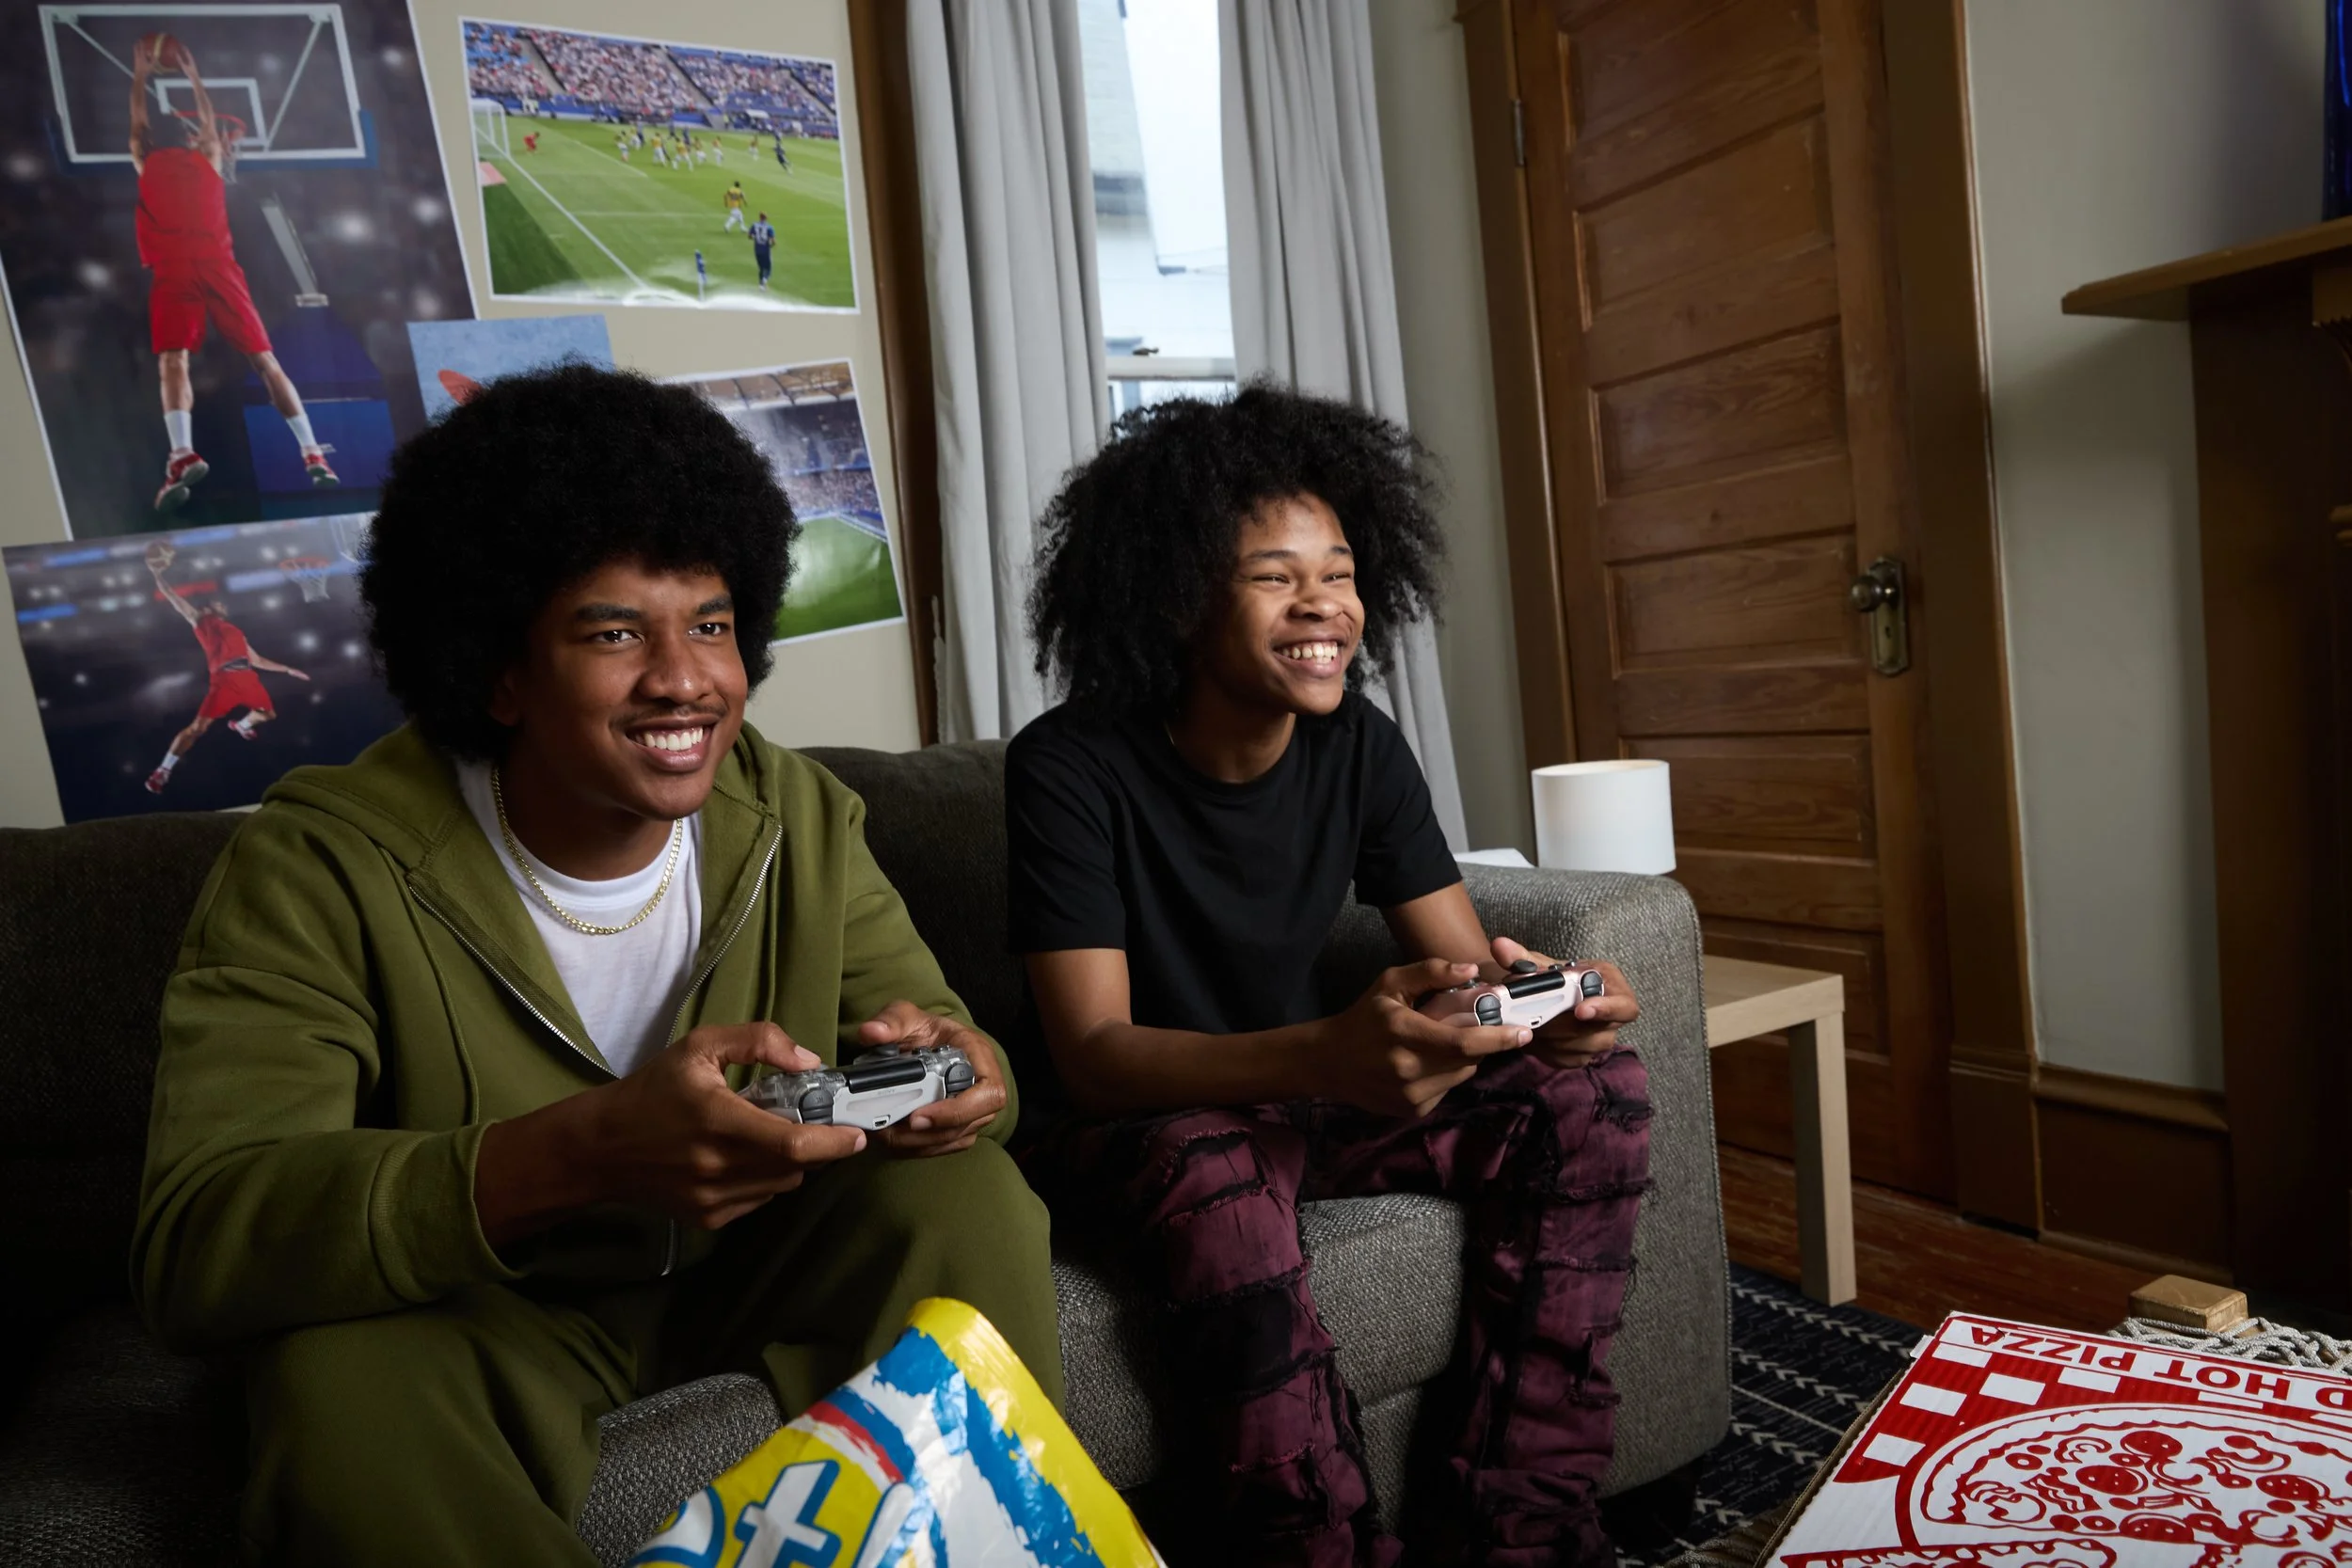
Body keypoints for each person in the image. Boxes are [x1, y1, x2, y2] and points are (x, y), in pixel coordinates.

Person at [134, 365, 1060, 1566]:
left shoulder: (797, 812)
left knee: (967, 1191)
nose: (685, 678)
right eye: (616, 630)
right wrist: (581, 1149)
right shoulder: (317, 866)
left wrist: (968, 1072)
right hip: (482, 1312)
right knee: (327, 1379)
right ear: (499, 670)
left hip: (751, 1268)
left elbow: (941, 1035)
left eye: (713, 623)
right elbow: (198, 1238)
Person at [1008, 385, 1650, 1568]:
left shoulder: (1357, 740)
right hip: (1140, 1125)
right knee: (1208, 1160)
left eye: (1341, 570)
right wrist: (1331, 1051)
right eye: (1272, 573)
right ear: (1176, 591)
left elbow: (1460, 966)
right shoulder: (1069, 765)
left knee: (1594, 1099)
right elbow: (1092, 1055)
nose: (1324, 605)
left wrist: (1542, 1006)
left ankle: (1521, 1525)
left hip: (1308, 1100)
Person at [129, 36, 338, 511]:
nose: (204, 135)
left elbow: (199, 120)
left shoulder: (196, 155)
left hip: (198, 266)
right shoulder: (161, 156)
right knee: (209, 360)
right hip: (194, 266)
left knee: (239, 360)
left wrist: (190, 74)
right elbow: (142, 119)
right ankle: (189, 454)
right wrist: (148, 75)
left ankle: (305, 451)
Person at [142, 546, 309, 795]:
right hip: (225, 680)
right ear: (208, 608)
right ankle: (163, 770)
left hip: (248, 678)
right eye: (217, 602)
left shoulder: (237, 631)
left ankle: (241, 726)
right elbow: (173, 598)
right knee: (197, 729)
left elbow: (258, 660)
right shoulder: (201, 620)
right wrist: (157, 576)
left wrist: (287, 669)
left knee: (268, 714)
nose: (223, 604)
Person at [749, 212, 775, 291]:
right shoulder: (769, 227)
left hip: (757, 249)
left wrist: (756, 238)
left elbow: (750, 236)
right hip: (765, 250)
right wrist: (771, 245)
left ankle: (761, 285)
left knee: (761, 268)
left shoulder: (754, 225)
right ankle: (764, 281)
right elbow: (773, 240)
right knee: (768, 268)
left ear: (760, 217)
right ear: (766, 218)